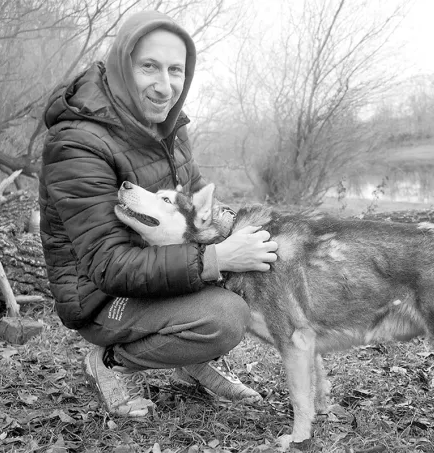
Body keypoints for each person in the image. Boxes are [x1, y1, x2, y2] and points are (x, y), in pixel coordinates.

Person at [38, 10, 278, 417]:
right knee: (224, 316)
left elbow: (197, 198)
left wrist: (237, 228)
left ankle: (190, 358)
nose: (165, 86)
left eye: (175, 70)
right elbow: (109, 266)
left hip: (160, 272)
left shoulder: (168, 126)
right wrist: (217, 258)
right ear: (121, 64)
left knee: (249, 277)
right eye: (149, 66)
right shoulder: (76, 143)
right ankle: (110, 362)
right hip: (103, 297)